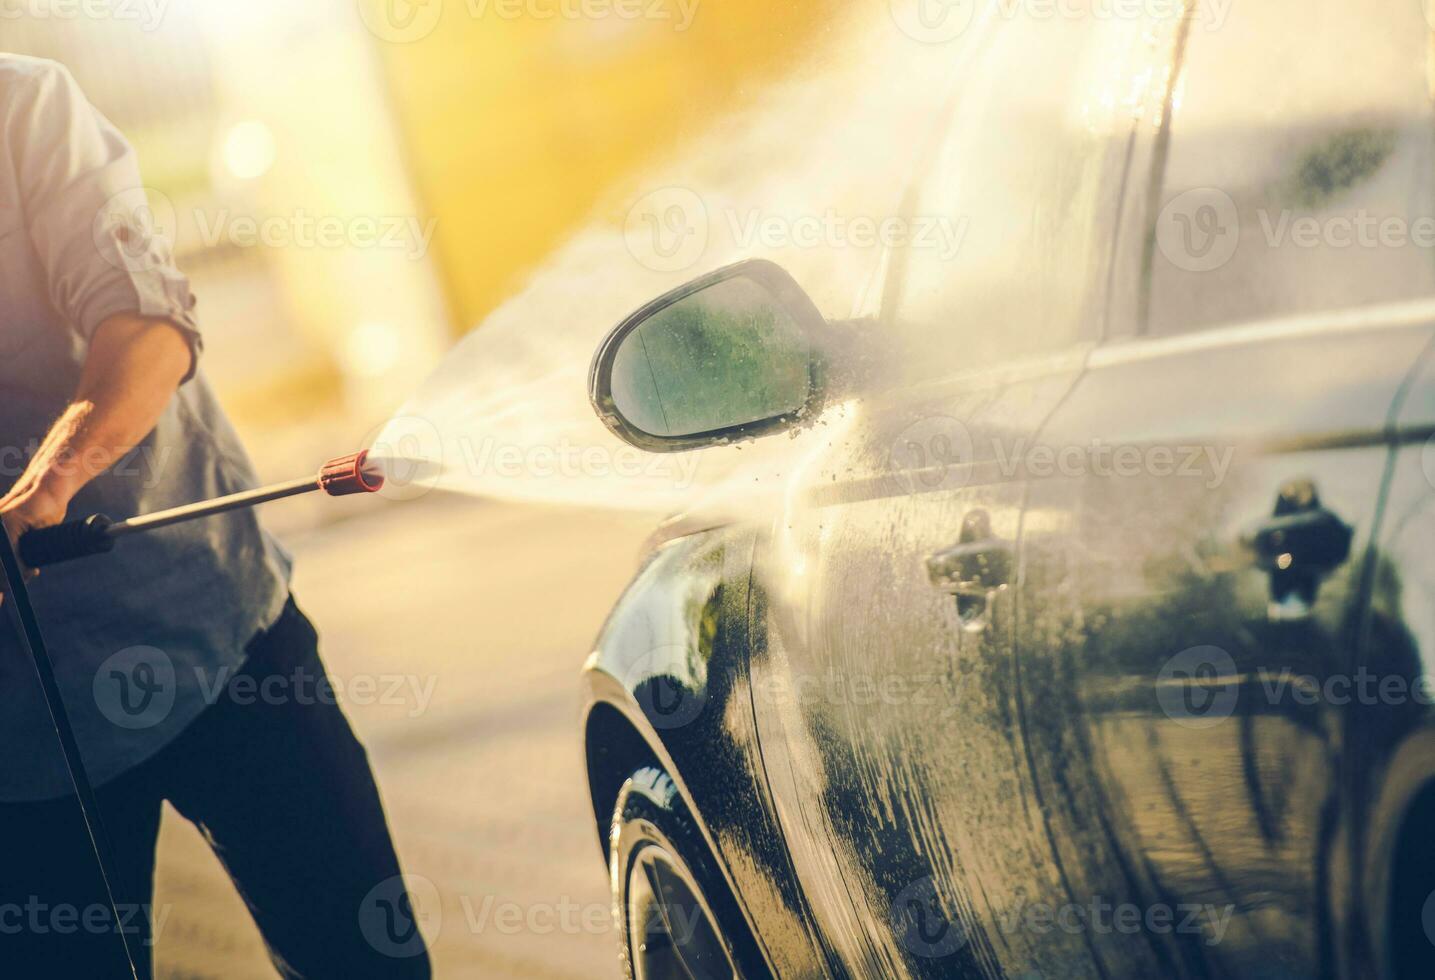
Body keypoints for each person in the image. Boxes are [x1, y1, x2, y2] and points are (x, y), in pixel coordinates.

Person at [0, 55, 431, 977]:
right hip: (19, 757)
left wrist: (43, 489)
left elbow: (148, 329)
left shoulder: (25, 106)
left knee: (366, 963)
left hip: (221, 644)